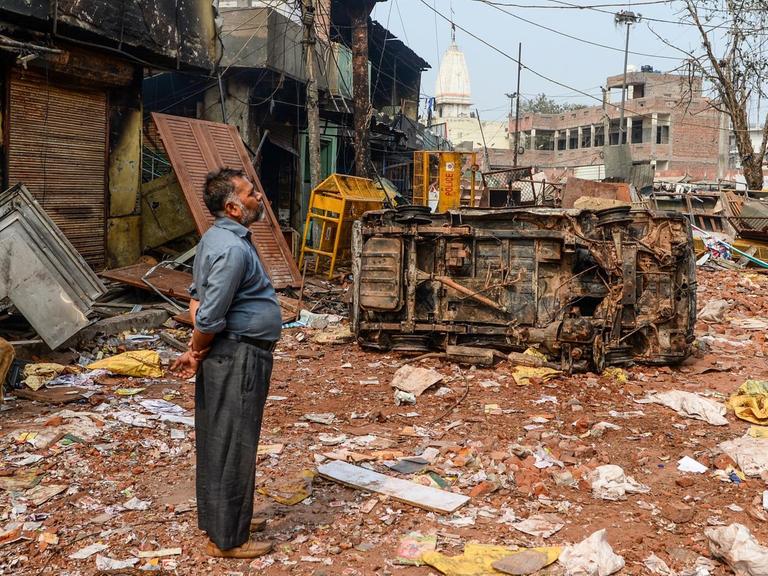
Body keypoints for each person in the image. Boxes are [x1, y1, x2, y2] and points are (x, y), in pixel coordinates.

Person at [172, 168, 282, 559]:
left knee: (222, 438)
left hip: (232, 352)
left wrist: (195, 349)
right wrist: (198, 349)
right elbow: (208, 315)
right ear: (234, 207)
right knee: (233, 442)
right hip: (238, 355)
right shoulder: (232, 248)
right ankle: (229, 539)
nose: (259, 199)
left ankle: (228, 517)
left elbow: (197, 296)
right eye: (251, 194)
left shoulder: (216, 238)